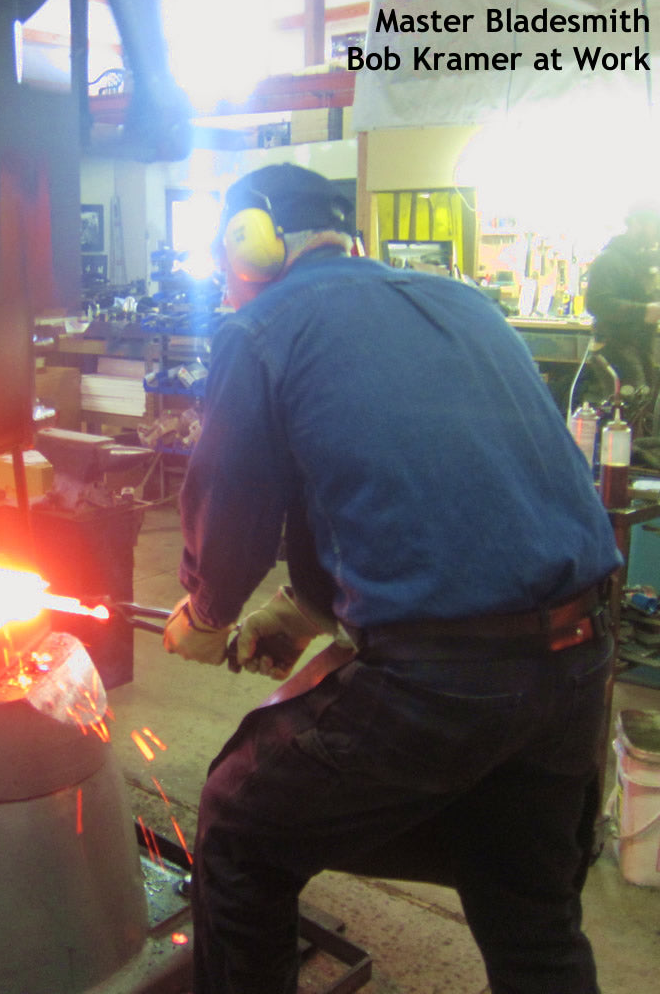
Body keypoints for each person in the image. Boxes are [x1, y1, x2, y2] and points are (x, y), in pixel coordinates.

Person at [161, 163, 622, 994]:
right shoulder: (463, 305)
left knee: (239, 826)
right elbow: (395, 477)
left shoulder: (260, 329)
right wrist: (305, 611)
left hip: (442, 683)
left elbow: (231, 501)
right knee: (528, 906)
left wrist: (205, 613)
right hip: (579, 658)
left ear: (250, 242)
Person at [585, 203, 660, 393]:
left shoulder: (641, 259)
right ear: (635, 223)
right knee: (630, 405)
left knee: (644, 404)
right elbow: (597, 303)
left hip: (640, 347)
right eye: (654, 225)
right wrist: (644, 311)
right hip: (616, 349)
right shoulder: (610, 259)